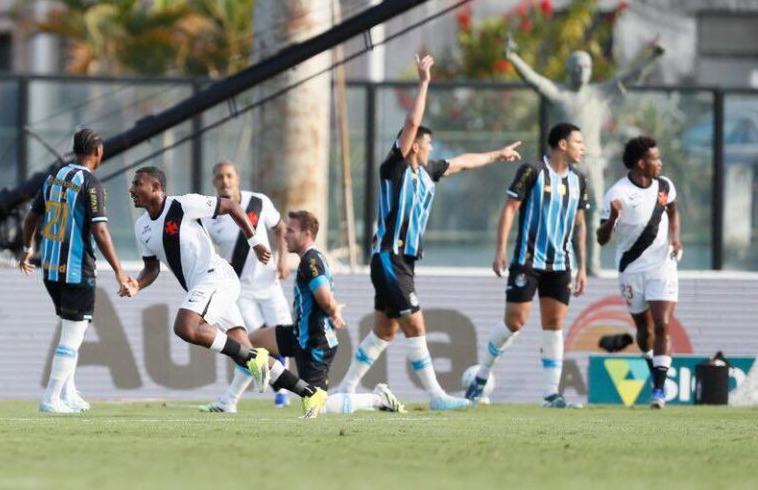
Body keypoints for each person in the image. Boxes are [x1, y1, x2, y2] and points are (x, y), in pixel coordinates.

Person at [335, 53, 522, 410]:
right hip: (390, 257)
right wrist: (424, 83)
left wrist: (496, 155)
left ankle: (345, 387)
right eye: (427, 142)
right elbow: (410, 122)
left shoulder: (429, 171)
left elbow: (464, 162)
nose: (431, 147)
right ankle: (437, 396)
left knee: (384, 331)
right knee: (415, 326)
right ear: (414, 144)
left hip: (402, 260)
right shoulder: (394, 167)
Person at [123, 167, 328, 418]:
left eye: (137, 183)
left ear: (156, 187)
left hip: (216, 278)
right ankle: (310, 394)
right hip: (205, 288)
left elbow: (231, 206)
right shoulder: (141, 226)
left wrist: (254, 243)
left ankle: (254, 359)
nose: (132, 189)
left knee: (185, 327)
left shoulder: (185, 204)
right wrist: (137, 284)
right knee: (245, 355)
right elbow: (151, 268)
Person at [506, 34, 664, 274]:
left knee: (595, 213)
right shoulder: (558, 94)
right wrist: (513, 57)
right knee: (559, 214)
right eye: (578, 66)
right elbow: (534, 80)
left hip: (592, 163)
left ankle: (592, 265)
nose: (583, 71)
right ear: (569, 70)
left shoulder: (599, 93)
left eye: (587, 66)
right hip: (563, 167)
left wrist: (652, 58)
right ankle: (557, 261)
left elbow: (630, 77)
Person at [466, 123, 589, 408]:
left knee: (555, 325)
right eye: (578, 142)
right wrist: (500, 250)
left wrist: (582, 267)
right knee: (515, 322)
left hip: (561, 264)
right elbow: (510, 209)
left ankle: (550, 393)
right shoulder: (531, 171)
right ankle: (481, 375)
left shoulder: (580, 180)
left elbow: (580, 224)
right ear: (562, 144)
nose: (583, 147)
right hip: (528, 261)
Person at [18, 127, 133, 413]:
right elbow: (100, 230)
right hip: (76, 271)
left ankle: (68, 394)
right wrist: (119, 271)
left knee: (73, 330)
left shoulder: (52, 178)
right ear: (97, 151)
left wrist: (26, 248)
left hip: (51, 270)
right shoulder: (90, 183)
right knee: (73, 336)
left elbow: (32, 217)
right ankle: (51, 398)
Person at [248, 210, 406, 414]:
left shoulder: (310, 261)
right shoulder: (311, 258)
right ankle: (233, 398)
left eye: (291, 230)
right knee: (249, 342)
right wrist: (333, 310)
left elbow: (323, 296)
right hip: (299, 334)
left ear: (307, 234)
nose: (285, 234)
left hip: (315, 342)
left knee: (318, 406)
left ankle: (377, 399)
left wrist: (333, 310)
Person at [199, 161, 293, 412]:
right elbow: (206, 251)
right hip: (241, 290)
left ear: (238, 178)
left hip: (269, 284)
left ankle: (277, 393)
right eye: (219, 177)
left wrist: (283, 259)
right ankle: (279, 392)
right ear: (214, 182)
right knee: (253, 344)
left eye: (229, 175)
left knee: (284, 335)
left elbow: (280, 228)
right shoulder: (211, 217)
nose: (225, 180)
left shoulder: (258, 202)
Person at [596, 136, 681, 409]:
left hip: (662, 265)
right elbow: (601, 239)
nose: (660, 162)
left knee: (663, 322)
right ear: (641, 163)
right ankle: (651, 363)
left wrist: (675, 238)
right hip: (631, 269)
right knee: (645, 330)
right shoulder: (617, 194)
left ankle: (658, 390)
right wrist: (611, 218)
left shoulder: (665, 185)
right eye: (655, 159)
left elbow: (673, 210)